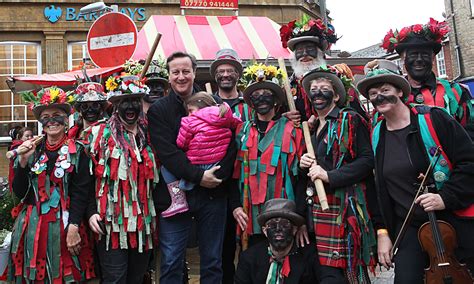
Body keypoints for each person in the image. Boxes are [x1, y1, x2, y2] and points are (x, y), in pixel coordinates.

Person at [357, 59, 474, 283]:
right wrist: (383, 232)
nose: (379, 96)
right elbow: (379, 189)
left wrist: (445, 197)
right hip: (410, 226)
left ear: (400, 91)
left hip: (452, 218)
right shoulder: (377, 134)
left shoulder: (434, 118)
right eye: (373, 93)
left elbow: (469, 162)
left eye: (385, 90)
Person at [147, 51, 236, 284]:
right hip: (175, 195)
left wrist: (218, 174)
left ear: (194, 72)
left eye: (186, 71)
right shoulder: (159, 110)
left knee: (212, 262)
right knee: (171, 261)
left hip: (212, 193)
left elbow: (231, 141)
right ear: (169, 76)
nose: (181, 76)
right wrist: (198, 176)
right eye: (175, 72)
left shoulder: (213, 103)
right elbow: (168, 154)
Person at [296, 65, 376, 283]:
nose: (317, 93)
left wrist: (331, 176)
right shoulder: (312, 129)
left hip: (342, 208)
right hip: (317, 211)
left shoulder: (349, 120)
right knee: (325, 274)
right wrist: (303, 163)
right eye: (313, 89)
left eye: (324, 88)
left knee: (349, 275)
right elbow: (312, 170)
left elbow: (367, 160)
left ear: (337, 95)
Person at [7, 87, 95, 282]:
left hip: (65, 225)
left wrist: (73, 226)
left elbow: (82, 193)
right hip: (32, 225)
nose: (51, 120)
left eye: (57, 115)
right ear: (41, 123)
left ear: (66, 121)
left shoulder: (79, 151)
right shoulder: (32, 150)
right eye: (46, 117)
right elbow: (19, 192)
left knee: (65, 275)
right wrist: (22, 162)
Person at [85, 75, 158, 283]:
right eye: (124, 101)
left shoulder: (148, 135)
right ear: (116, 106)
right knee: (115, 279)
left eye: (134, 101)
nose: (130, 106)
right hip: (110, 225)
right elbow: (85, 179)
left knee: (136, 278)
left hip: (143, 225)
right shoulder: (98, 134)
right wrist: (90, 212)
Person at [233, 62, 304, 248]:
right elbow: (232, 173)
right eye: (256, 95)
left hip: (284, 213)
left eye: (267, 94)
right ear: (251, 103)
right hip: (249, 213)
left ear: (276, 100)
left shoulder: (292, 130)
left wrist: (301, 217)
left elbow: (301, 177)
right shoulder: (242, 131)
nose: (261, 99)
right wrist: (235, 205)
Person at [381, 18, 474, 139]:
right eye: (413, 54)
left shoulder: (456, 92)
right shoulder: (392, 96)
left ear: (433, 58)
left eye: (425, 54)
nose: (419, 59)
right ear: (403, 58)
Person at [160, 91, 242, 217]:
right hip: (217, 164)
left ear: (200, 107)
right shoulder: (225, 116)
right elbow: (237, 125)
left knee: (166, 168)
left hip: (198, 164)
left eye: (191, 110)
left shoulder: (190, 120)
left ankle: (178, 199)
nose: (189, 114)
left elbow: (182, 143)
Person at [209, 48, 251, 283]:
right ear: (215, 75)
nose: (226, 74)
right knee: (222, 246)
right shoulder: (207, 102)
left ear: (238, 74)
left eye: (230, 70)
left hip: (248, 179)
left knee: (249, 241)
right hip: (217, 182)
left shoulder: (250, 104)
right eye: (221, 70)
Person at [235, 198, 322, 284]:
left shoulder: (308, 257)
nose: (278, 229)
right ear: (265, 231)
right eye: (272, 225)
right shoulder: (249, 258)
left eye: (285, 224)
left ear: (294, 229)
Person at [8, 126, 33, 192]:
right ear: (20, 137)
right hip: (19, 178)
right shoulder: (17, 147)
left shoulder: (30, 146)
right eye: (27, 136)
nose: (30, 138)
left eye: (31, 136)